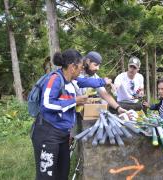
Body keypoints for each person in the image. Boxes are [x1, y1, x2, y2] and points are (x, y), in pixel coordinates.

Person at [31, 49, 111, 180]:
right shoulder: (55, 79)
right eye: (80, 67)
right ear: (72, 67)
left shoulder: (71, 81)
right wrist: (75, 100)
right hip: (47, 134)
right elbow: (46, 104)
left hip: (62, 135)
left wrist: (103, 81)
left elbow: (88, 82)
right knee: (46, 175)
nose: (82, 70)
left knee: (63, 173)